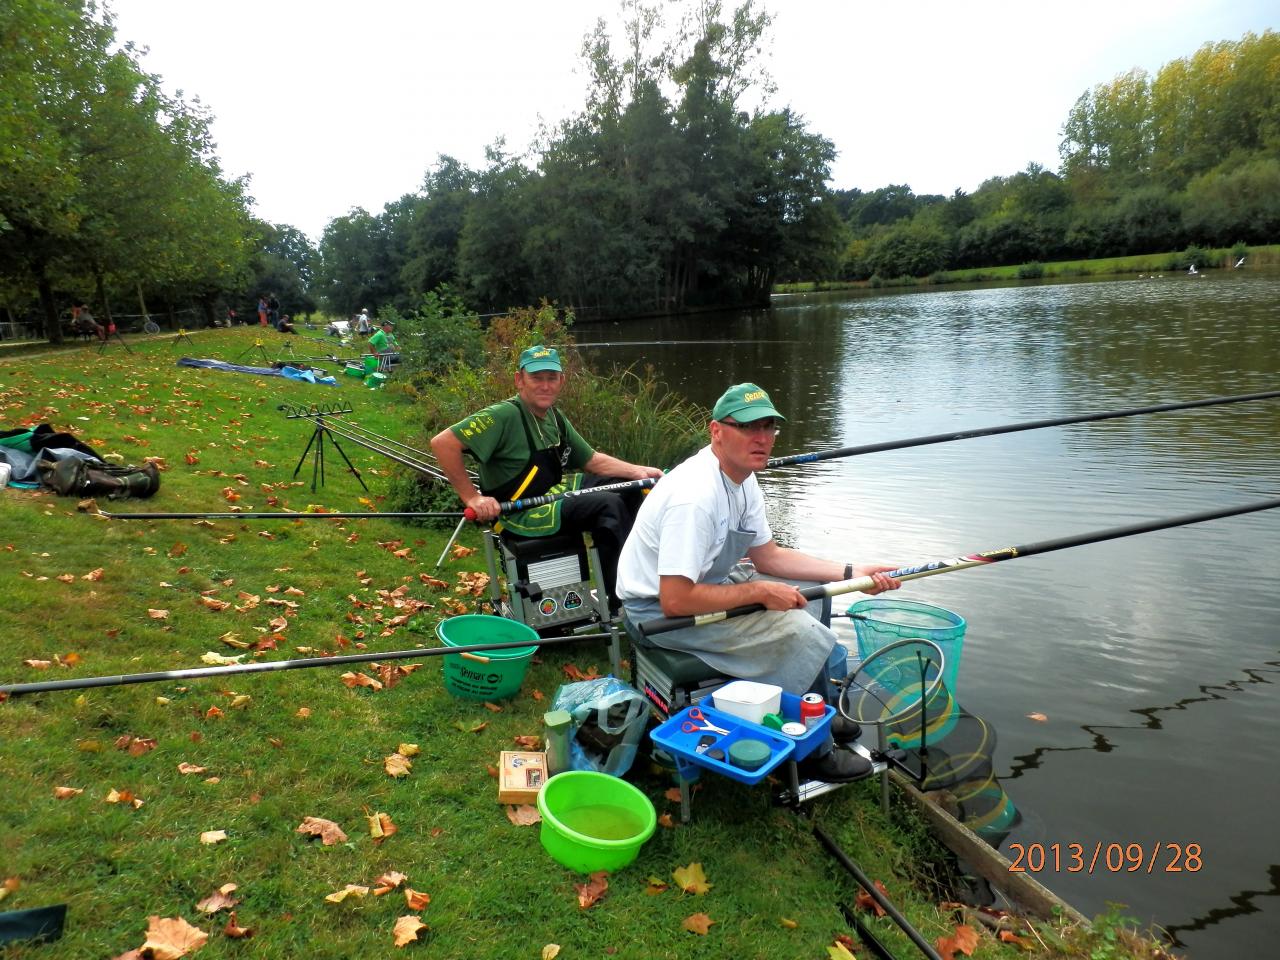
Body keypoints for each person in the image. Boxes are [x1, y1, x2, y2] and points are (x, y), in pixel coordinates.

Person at [615, 382, 902, 782]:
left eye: (769, 428)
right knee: (799, 630)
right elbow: (675, 600)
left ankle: (814, 709)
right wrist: (758, 592)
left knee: (813, 601)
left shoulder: (743, 478)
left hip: (703, 586)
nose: (762, 439)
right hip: (656, 616)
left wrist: (853, 574)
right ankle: (813, 753)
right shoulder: (694, 497)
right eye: (749, 428)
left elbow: (770, 556)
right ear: (716, 431)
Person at [430, 345, 663, 612]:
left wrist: (639, 472)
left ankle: (636, 579)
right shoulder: (502, 415)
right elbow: (443, 443)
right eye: (536, 378)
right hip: (519, 512)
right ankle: (621, 597)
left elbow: (591, 460)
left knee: (632, 489)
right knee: (608, 506)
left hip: (551, 493)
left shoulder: (554, 417)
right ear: (520, 380)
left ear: (561, 381)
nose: (545, 386)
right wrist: (472, 497)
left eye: (551, 378)